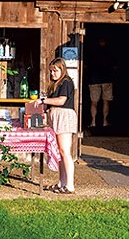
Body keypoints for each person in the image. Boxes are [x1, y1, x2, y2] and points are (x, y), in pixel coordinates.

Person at [39, 57, 77, 194]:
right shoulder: (55, 85)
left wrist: (44, 100)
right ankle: (62, 182)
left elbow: (61, 100)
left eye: (55, 71)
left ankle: (70, 185)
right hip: (55, 117)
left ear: (62, 69)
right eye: (51, 71)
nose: (53, 74)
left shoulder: (66, 82)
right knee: (60, 152)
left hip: (64, 117)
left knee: (65, 151)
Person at [87, 37, 114, 127]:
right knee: (106, 101)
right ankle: (104, 121)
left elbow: (86, 65)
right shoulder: (110, 51)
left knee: (94, 101)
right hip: (107, 79)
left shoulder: (92, 51)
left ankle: (93, 122)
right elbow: (115, 66)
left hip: (94, 79)